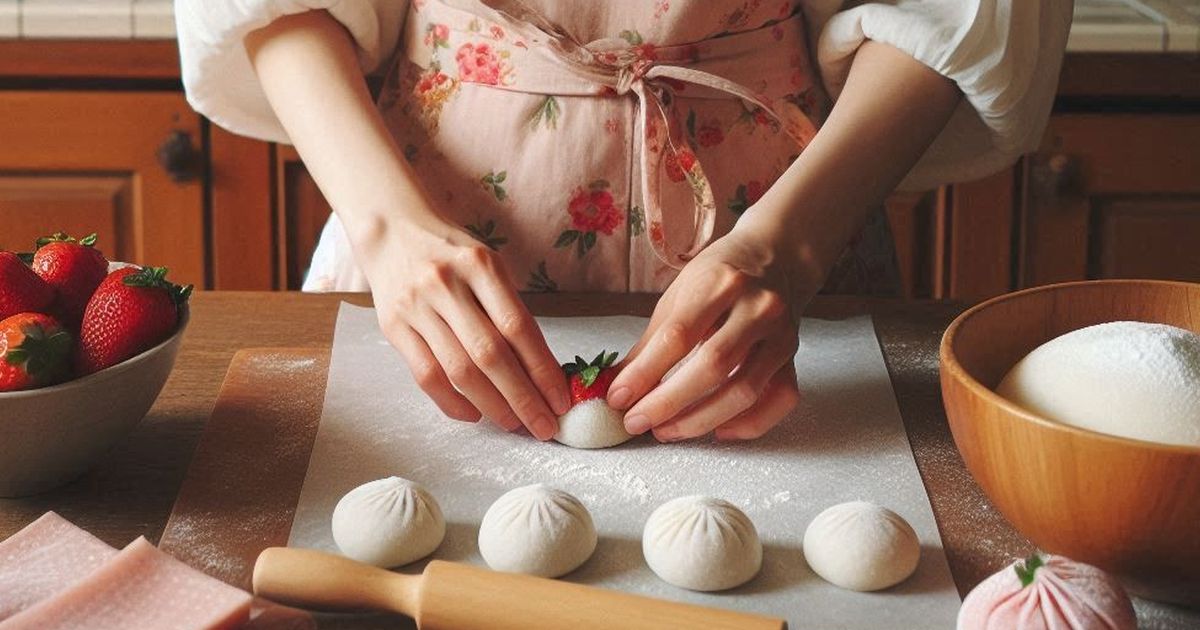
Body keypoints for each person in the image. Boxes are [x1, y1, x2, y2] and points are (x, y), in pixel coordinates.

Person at [179, 0, 1071, 443]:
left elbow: (956, 11)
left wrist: (787, 247)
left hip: (789, 234)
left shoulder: (790, 251)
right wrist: (384, 229)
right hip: (416, 218)